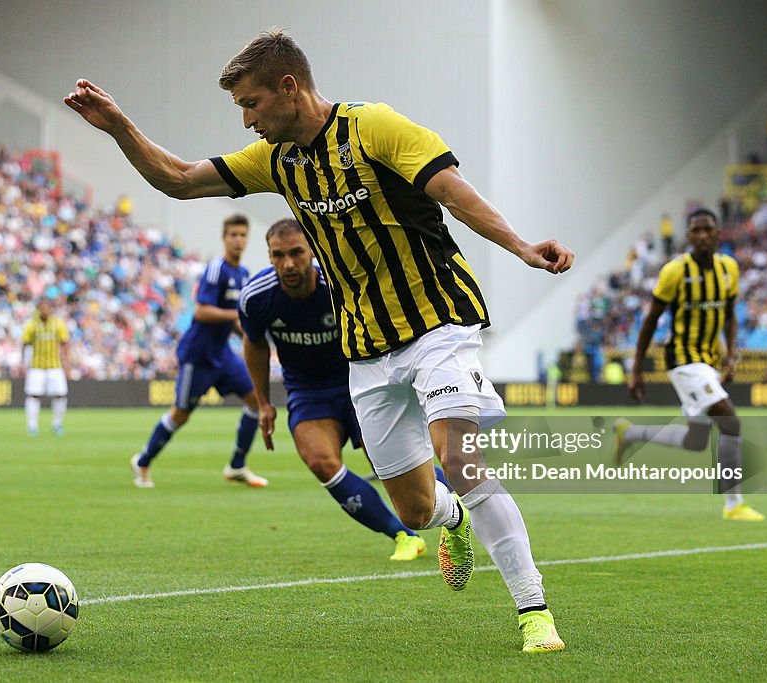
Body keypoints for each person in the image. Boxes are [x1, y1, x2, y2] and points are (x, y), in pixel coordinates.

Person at [65, 29, 573, 652]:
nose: (247, 120)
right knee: (415, 511)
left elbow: (452, 193)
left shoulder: (376, 129)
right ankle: (453, 519)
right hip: (365, 347)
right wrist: (120, 127)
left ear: (289, 87)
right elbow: (178, 179)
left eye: (251, 104)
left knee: (459, 460)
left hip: (438, 320)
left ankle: (533, 612)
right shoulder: (276, 162)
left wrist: (521, 246)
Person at [241, 218, 452, 561]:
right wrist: (264, 402)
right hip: (307, 390)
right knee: (320, 461)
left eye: (296, 253)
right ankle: (403, 535)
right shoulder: (256, 297)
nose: (288, 264)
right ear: (269, 257)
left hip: (362, 380)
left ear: (312, 249)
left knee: (393, 466)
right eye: (278, 256)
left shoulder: (341, 283)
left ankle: (460, 499)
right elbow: (254, 345)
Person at [613, 208, 764, 521]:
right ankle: (734, 506)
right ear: (688, 236)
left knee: (695, 441)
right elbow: (650, 321)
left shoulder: (728, 268)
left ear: (718, 232)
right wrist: (636, 370)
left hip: (709, 360)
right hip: (683, 359)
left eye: (708, 229)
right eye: (696, 230)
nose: (703, 235)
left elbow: (730, 313)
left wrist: (730, 353)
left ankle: (629, 433)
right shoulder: (674, 271)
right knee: (730, 420)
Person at [130, 214, 266, 489]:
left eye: (242, 235)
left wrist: (251, 336)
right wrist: (235, 317)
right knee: (181, 413)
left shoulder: (244, 275)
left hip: (223, 353)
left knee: (256, 400)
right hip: (198, 354)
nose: (238, 240)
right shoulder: (217, 269)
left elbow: (234, 322)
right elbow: (202, 311)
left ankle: (237, 465)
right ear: (224, 238)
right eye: (233, 235)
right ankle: (143, 461)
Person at [22, 298, 72, 436]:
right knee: (33, 395)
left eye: (47, 307)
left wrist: (67, 363)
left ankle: (57, 424)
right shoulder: (32, 324)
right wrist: (23, 363)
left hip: (54, 365)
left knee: (60, 395)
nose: (44, 310)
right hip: (36, 365)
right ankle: (32, 425)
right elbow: (25, 343)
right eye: (42, 308)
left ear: (50, 309)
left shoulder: (57, 323)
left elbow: (65, 343)